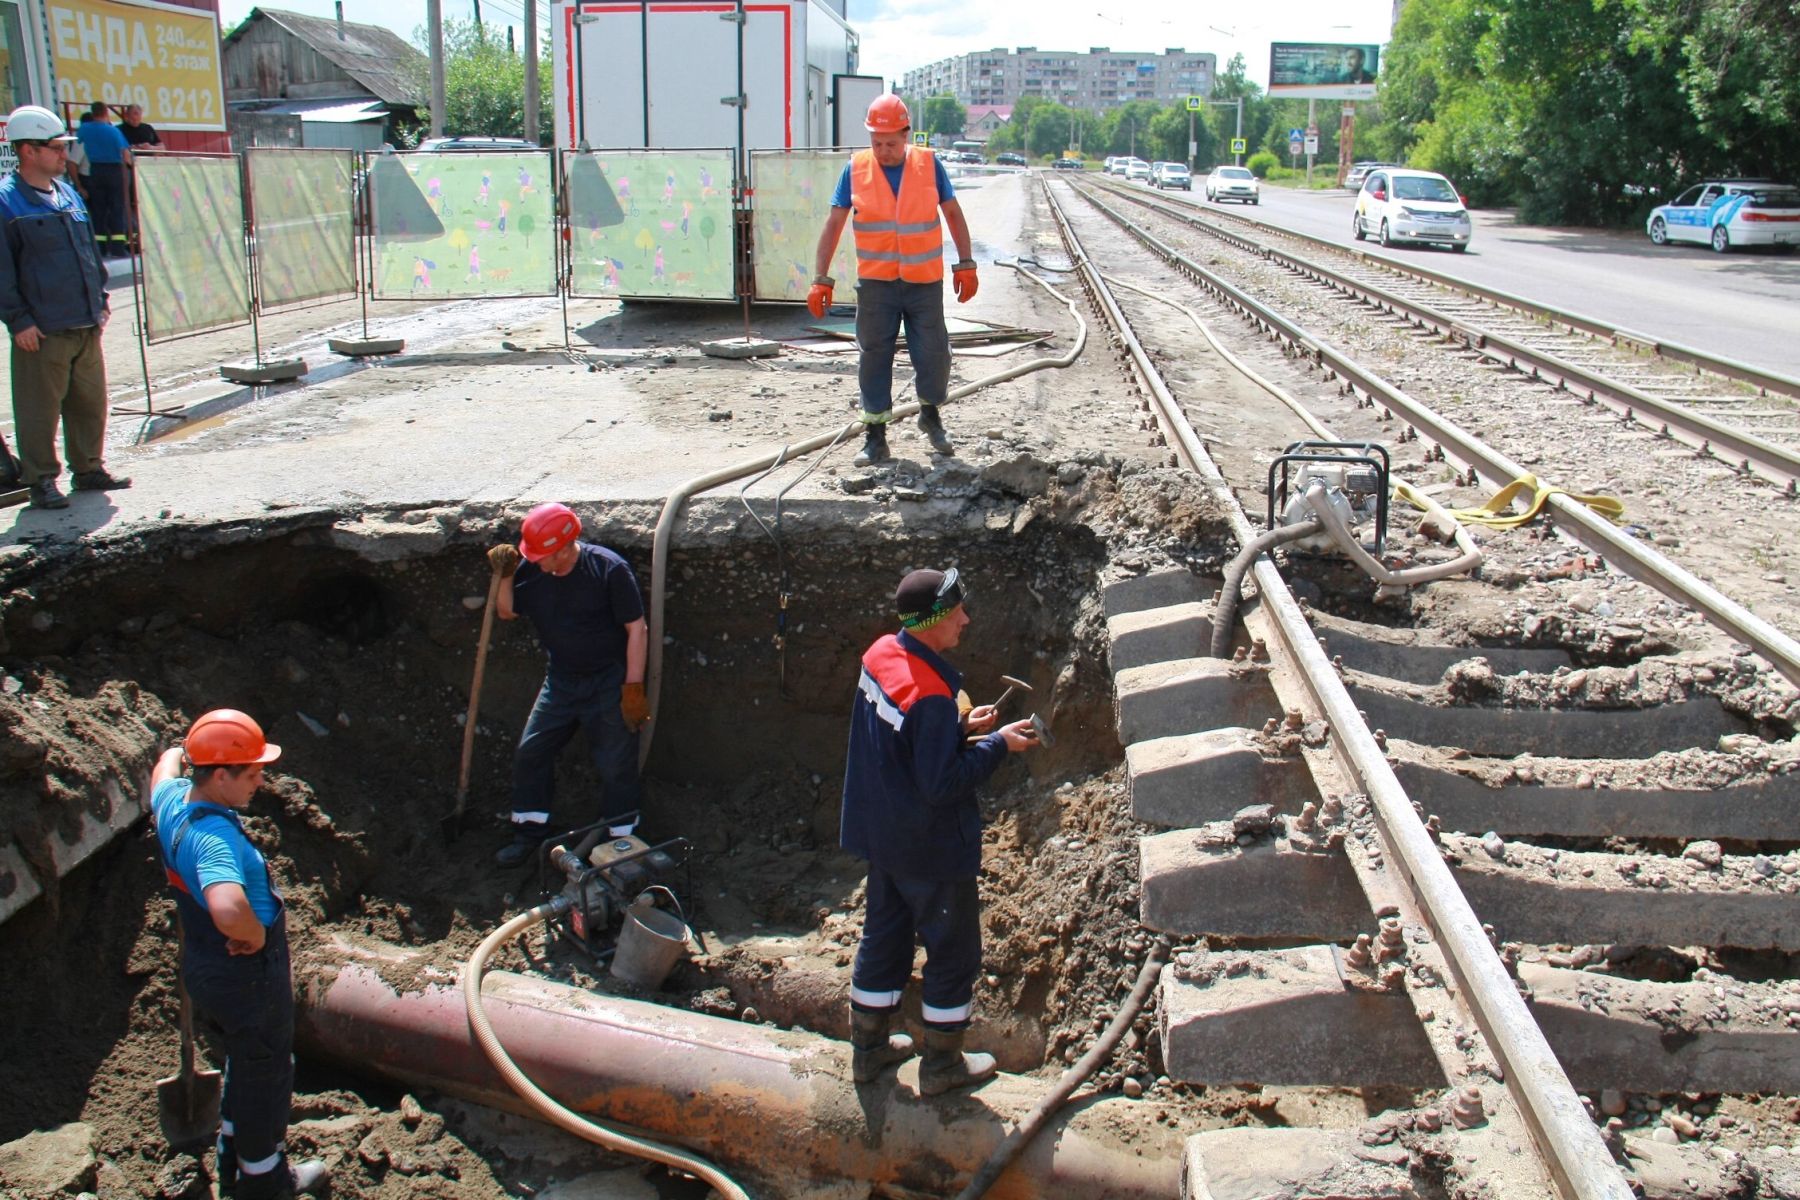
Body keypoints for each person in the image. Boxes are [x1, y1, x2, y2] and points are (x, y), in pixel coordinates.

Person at [840, 567, 1040, 1094]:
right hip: (928, 845)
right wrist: (998, 744)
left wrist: (958, 728)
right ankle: (943, 1066)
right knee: (952, 952)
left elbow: (901, 742)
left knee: (883, 938)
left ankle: (869, 1052)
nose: (966, 620)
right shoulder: (931, 695)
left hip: (883, 832)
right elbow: (942, 784)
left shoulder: (883, 653)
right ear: (933, 622)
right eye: (957, 613)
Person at [151, 710, 328, 1200]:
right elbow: (227, 906)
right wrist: (250, 933)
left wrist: (180, 750)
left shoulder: (172, 801)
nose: (260, 781)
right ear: (220, 775)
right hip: (245, 972)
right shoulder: (214, 839)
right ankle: (263, 1179)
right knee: (268, 1068)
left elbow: (163, 767)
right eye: (250, 773)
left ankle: (232, 1153)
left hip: (207, 964)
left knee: (247, 1059)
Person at [808, 94, 978, 468]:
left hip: (924, 282)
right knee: (874, 355)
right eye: (876, 143)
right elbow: (834, 223)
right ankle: (875, 436)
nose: (883, 151)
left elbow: (952, 211)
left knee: (933, 354)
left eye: (891, 143)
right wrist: (821, 278)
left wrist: (966, 263)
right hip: (877, 285)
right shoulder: (855, 169)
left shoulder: (929, 165)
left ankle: (930, 416)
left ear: (907, 135)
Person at [487, 503, 651, 867]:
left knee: (615, 765)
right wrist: (506, 575)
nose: (537, 561)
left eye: (543, 555)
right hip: (561, 680)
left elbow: (636, 628)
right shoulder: (534, 569)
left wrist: (633, 687)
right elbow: (507, 610)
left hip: (608, 680)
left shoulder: (608, 569)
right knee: (531, 751)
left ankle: (620, 844)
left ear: (563, 549)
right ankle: (529, 832)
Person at [0, 105, 130, 511]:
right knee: (39, 408)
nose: (64, 155)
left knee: (89, 402)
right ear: (27, 151)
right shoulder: (7, 204)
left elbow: (88, 252)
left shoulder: (68, 194)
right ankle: (40, 479)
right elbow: (2, 269)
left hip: (84, 321)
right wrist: (18, 320)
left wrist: (101, 301)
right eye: (55, 148)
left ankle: (88, 467)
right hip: (42, 329)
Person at [73, 101, 130, 256]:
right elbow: (126, 155)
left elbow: (75, 151)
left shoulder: (84, 129)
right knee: (117, 209)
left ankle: (100, 248)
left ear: (93, 113)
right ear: (106, 112)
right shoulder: (114, 131)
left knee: (99, 210)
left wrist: (79, 184)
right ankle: (118, 248)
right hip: (114, 171)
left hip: (95, 171)